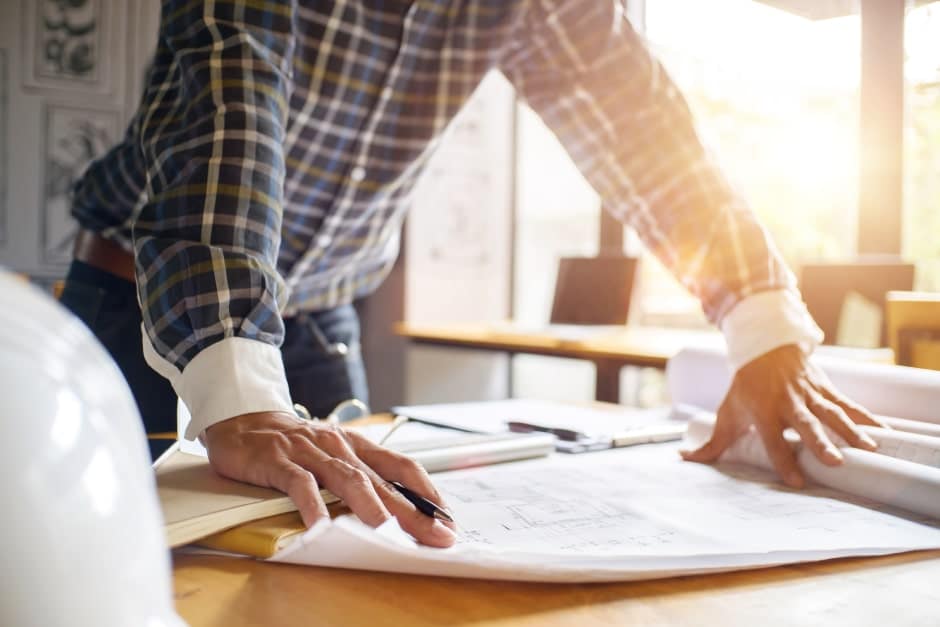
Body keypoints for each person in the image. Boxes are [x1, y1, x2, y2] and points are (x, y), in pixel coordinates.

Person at [61, 1, 883, 548]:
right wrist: (238, 385)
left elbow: (639, 123)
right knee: (113, 561)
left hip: (321, 314)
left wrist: (762, 321)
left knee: (348, 552)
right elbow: (226, 90)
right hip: (138, 301)